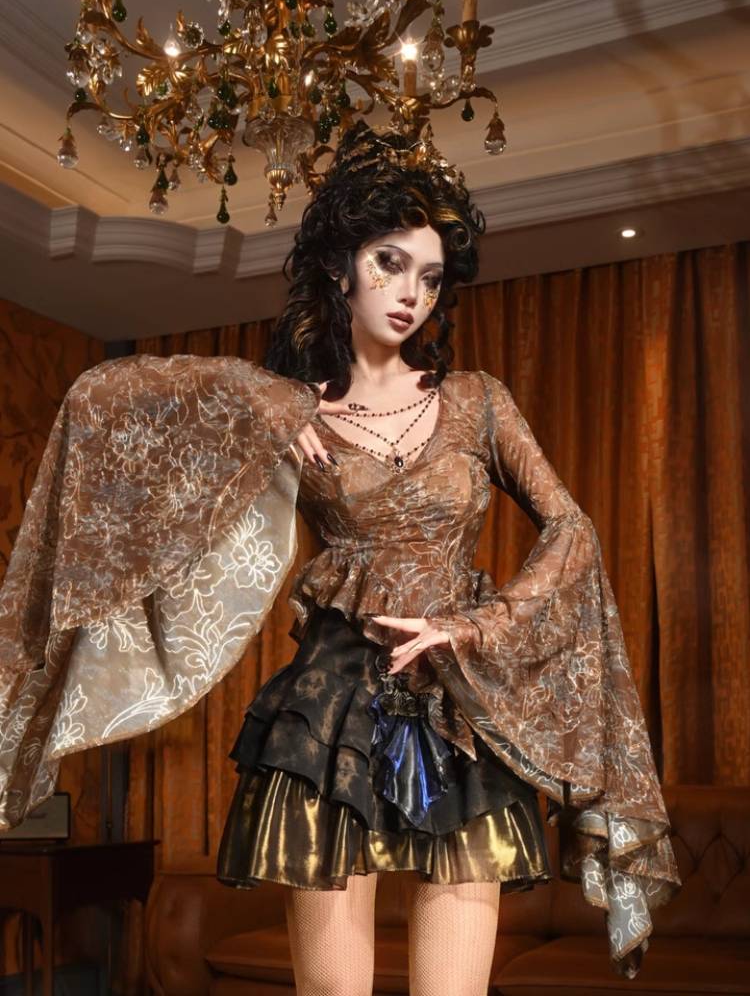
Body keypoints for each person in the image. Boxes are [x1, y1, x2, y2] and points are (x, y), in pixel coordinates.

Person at [0, 119, 680, 994]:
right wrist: (259, 401)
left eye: (431, 276)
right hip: (327, 715)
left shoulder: (479, 402)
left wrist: (474, 626)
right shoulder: (295, 411)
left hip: (456, 709)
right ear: (340, 268)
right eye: (390, 264)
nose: (411, 294)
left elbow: (573, 529)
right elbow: (102, 397)